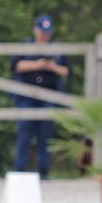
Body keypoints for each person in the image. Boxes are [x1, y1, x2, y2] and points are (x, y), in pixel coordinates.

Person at [10, 14, 70, 179]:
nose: (45, 36)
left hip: (49, 96)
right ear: (35, 30)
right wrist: (38, 64)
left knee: (45, 134)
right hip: (26, 96)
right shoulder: (25, 46)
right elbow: (16, 66)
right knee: (24, 132)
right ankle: (20, 168)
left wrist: (52, 66)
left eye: (47, 32)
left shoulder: (57, 49)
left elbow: (66, 70)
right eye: (42, 32)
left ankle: (43, 171)